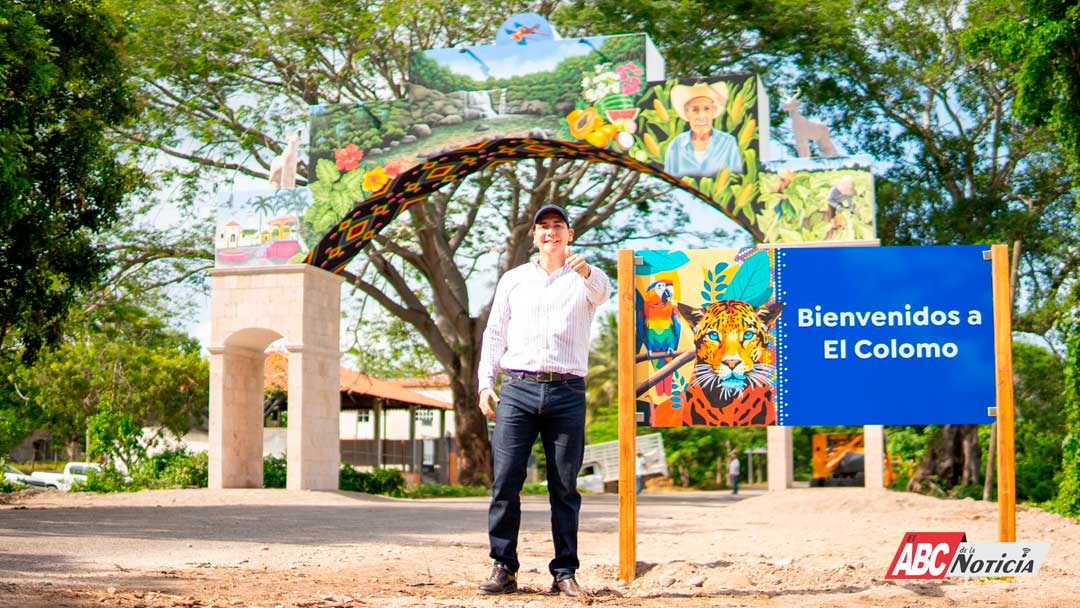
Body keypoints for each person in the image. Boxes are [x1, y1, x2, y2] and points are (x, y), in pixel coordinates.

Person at [476, 204, 611, 598]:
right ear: (533, 236)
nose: (550, 232)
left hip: (567, 392)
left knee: (564, 486)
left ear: (570, 234)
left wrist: (585, 269)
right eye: (543, 227)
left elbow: (604, 293)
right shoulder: (514, 280)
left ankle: (564, 572)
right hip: (517, 389)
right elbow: (495, 332)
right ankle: (504, 567)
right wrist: (486, 382)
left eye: (558, 226)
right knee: (505, 481)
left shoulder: (585, 278)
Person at [663, 81, 744, 178]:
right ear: (687, 113)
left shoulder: (728, 142)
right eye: (695, 110)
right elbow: (667, 180)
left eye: (707, 109)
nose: (702, 116)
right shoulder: (676, 144)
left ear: (713, 111)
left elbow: (736, 177)